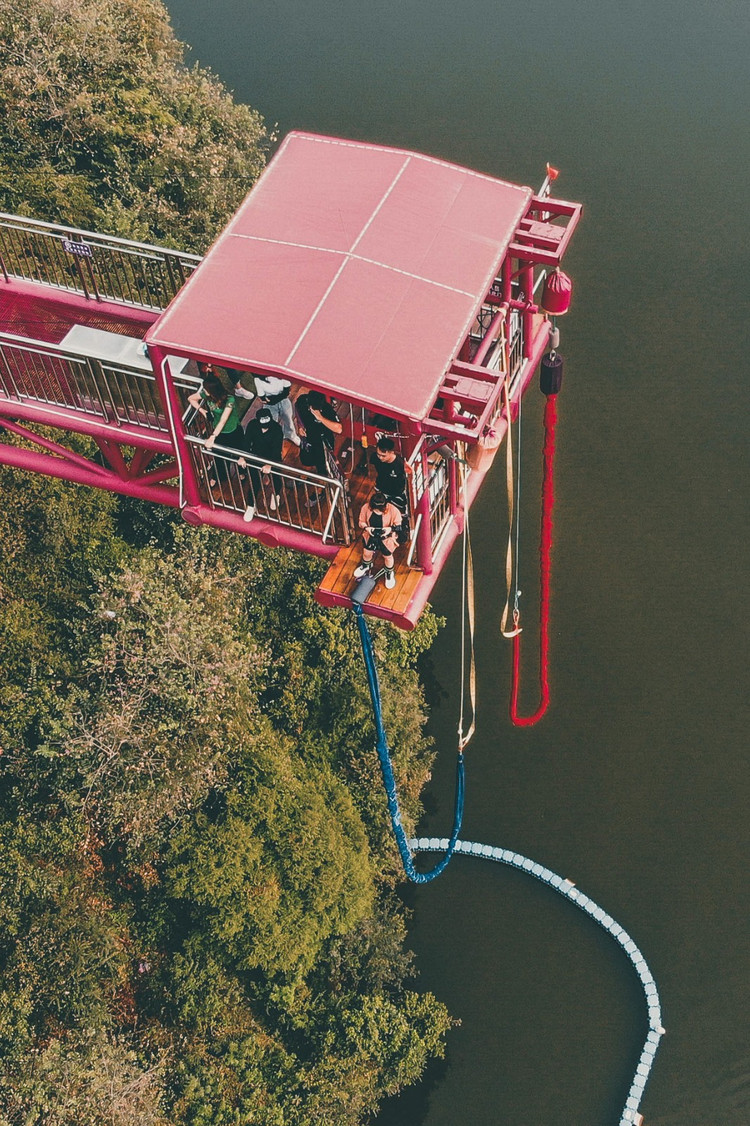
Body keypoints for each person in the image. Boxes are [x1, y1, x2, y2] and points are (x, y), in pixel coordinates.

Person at [188, 372, 247, 484]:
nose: (203, 391)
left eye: (205, 389)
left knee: (238, 453)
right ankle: (220, 476)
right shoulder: (207, 395)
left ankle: (242, 472)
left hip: (232, 430)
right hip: (219, 432)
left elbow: (223, 420)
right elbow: (191, 399)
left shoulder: (230, 400)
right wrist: (203, 411)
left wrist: (212, 437)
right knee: (219, 456)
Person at [295, 389, 343, 495]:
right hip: (308, 440)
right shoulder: (302, 401)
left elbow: (338, 429)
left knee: (322, 469)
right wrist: (300, 426)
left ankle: (320, 491)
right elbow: (297, 412)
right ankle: (304, 477)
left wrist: (320, 417)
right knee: (305, 461)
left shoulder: (327, 410)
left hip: (323, 443)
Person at [242, 406, 284, 521]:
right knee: (254, 481)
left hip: (273, 458)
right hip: (256, 456)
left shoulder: (277, 429)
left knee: (276, 478)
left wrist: (270, 464)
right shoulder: (252, 425)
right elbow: (247, 441)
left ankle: (276, 495)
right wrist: (242, 456)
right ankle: (251, 505)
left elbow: (277, 449)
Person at [353, 491, 402, 590]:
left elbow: (398, 526)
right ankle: (366, 566)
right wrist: (367, 528)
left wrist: (390, 529)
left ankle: (389, 573)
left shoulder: (393, 510)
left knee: (388, 556)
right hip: (371, 535)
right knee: (366, 552)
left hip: (386, 537)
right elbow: (361, 521)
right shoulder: (366, 508)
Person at [253, 374, 301, 445]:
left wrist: (272, 399)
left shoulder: (281, 374)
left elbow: (286, 391)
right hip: (269, 405)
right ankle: (275, 440)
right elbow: (262, 397)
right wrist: (280, 396)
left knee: (288, 419)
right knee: (271, 423)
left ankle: (291, 435)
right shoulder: (257, 379)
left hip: (281, 400)